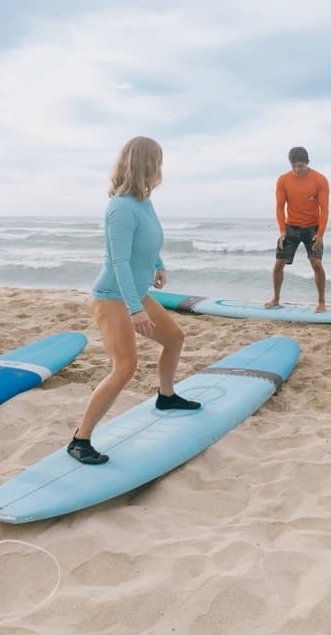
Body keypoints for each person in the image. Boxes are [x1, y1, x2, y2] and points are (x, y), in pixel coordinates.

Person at [68, 136, 201, 465]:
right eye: (158, 162)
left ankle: (166, 397)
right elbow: (119, 262)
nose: (161, 170)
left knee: (174, 339)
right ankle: (80, 439)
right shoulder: (120, 207)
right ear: (146, 164)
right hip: (113, 297)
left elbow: (149, 241)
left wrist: (159, 264)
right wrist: (135, 309)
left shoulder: (144, 202)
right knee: (125, 368)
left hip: (135, 292)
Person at [265, 146, 331, 312]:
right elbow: (280, 208)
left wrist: (320, 234)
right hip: (291, 227)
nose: (297, 169)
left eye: (300, 165)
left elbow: (324, 209)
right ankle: (276, 298)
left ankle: (321, 302)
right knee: (279, 263)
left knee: (316, 263)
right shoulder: (283, 180)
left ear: (307, 163)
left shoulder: (320, 179)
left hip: (312, 228)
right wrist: (282, 231)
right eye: (293, 165)